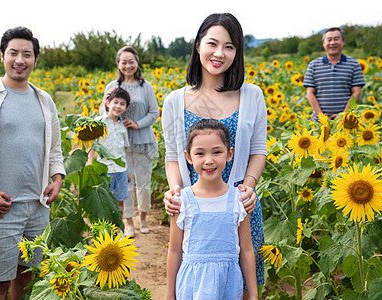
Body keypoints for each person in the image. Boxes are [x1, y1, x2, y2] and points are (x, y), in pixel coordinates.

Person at [162, 13, 267, 297]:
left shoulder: (252, 95)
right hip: (193, 212)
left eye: (230, 46)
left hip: (240, 207)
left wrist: (249, 185)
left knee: (243, 285)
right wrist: (174, 190)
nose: (220, 53)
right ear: (198, 45)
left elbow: (258, 150)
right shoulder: (174, 101)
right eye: (213, 43)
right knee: (194, 283)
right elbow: (172, 156)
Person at [0, 27, 65, 300]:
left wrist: (57, 179)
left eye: (27, 54)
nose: (20, 60)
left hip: (38, 205)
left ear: (35, 59)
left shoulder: (44, 99)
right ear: (2, 56)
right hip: (2, 207)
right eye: (14, 53)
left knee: (28, 276)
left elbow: (54, 147)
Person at [166, 119, 258, 300]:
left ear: (229, 154)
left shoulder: (239, 200)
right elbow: (175, 250)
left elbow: (247, 250)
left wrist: (253, 294)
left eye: (217, 152)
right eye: (200, 153)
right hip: (192, 286)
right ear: (189, 157)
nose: (209, 160)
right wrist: (170, 295)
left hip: (229, 285)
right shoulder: (181, 201)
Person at [101, 46, 159, 238]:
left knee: (144, 183)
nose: (128, 65)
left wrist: (137, 124)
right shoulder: (111, 87)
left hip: (142, 140)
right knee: (125, 184)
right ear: (118, 64)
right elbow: (103, 115)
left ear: (137, 63)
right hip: (118, 144)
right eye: (123, 62)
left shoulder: (146, 86)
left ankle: (142, 217)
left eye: (131, 61)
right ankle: (128, 222)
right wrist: (107, 100)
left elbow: (154, 113)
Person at [303, 27, 365, 122]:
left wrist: (342, 116)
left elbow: (356, 92)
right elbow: (310, 93)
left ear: (343, 41)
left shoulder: (354, 64)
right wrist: (322, 118)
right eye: (329, 40)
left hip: (346, 122)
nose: (332, 43)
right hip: (319, 123)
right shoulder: (313, 65)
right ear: (324, 44)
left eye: (336, 39)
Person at [90, 88, 130, 216]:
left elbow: (124, 150)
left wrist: (127, 171)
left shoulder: (123, 127)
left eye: (122, 104)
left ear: (126, 107)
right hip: (104, 169)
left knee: (120, 201)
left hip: (120, 170)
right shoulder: (98, 122)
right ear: (108, 103)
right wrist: (90, 164)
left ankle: (118, 229)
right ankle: (105, 231)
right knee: (103, 202)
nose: (118, 106)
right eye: (115, 102)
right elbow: (92, 146)